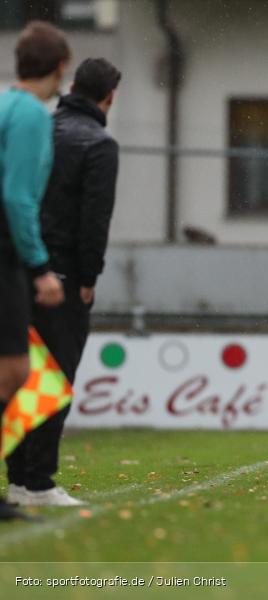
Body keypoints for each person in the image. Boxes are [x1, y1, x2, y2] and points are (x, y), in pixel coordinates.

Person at [6, 58, 121, 507]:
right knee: (55, 377)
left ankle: (18, 476)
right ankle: (37, 481)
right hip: (65, 275)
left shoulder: (41, 128)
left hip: (21, 268)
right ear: (109, 96)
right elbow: (94, 218)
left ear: (72, 86)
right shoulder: (99, 145)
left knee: (20, 375)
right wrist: (89, 276)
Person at [0, 21, 70, 521]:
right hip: (5, 252)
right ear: (61, 68)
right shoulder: (29, 113)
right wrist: (40, 265)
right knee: (13, 371)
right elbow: (17, 196)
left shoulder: (3, 103)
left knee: (14, 371)